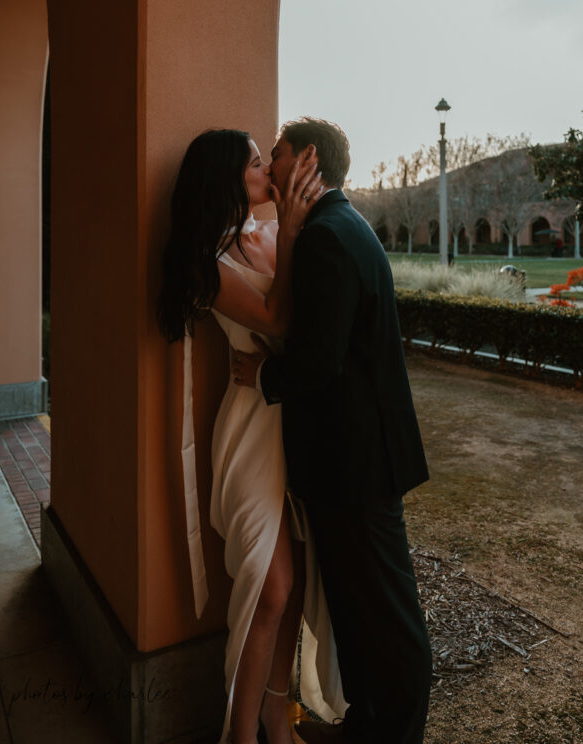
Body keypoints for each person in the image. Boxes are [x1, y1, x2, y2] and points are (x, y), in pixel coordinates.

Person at [234, 118, 433, 744]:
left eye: (279, 153)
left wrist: (263, 374)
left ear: (309, 159)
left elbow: (319, 358)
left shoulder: (326, 237)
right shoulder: (338, 226)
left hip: (356, 465)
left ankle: (392, 730)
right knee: (356, 608)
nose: (271, 161)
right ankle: (367, 723)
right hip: (352, 462)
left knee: (386, 617)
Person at [157, 129, 344, 744]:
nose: (268, 169)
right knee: (270, 587)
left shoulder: (263, 238)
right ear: (229, 179)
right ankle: (238, 736)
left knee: (295, 587)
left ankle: (276, 715)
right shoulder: (212, 265)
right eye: (257, 162)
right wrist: (289, 230)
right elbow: (278, 319)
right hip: (250, 434)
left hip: (291, 421)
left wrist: (290, 228)